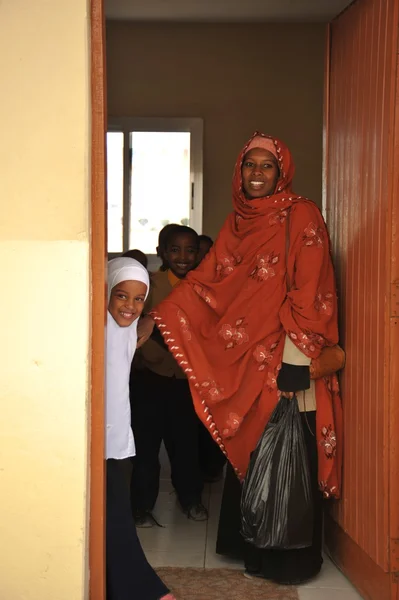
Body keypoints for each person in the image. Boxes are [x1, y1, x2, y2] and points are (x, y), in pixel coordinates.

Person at [136, 132, 343, 585]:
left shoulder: (300, 214)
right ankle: (248, 545)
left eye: (267, 166)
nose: (257, 174)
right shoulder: (236, 224)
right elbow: (205, 284)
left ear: (282, 171)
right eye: (250, 164)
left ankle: (288, 559)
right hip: (247, 358)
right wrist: (160, 316)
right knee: (253, 446)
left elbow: (309, 285)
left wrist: (296, 355)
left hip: (287, 354)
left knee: (286, 450)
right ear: (239, 170)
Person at [105, 257, 175, 600]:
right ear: (105, 292)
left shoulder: (128, 327)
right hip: (95, 441)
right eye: (121, 296)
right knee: (114, 516)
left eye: (139, 299)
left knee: (113, 514)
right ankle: (142, 589)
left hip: (115, 439)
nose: (130, 306)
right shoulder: (97, 328)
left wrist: (148, 318)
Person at [131, 225, 208, 526]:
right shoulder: (149, 284)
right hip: (150, 378)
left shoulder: (204, 288)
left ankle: (191, 498)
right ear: (161, 252)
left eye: (190, 250)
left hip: (186, 381)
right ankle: (141, 506)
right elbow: (133, 324)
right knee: (146, 446)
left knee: (186, 443)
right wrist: (147, 355)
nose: (183, 256)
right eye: (175, 249)